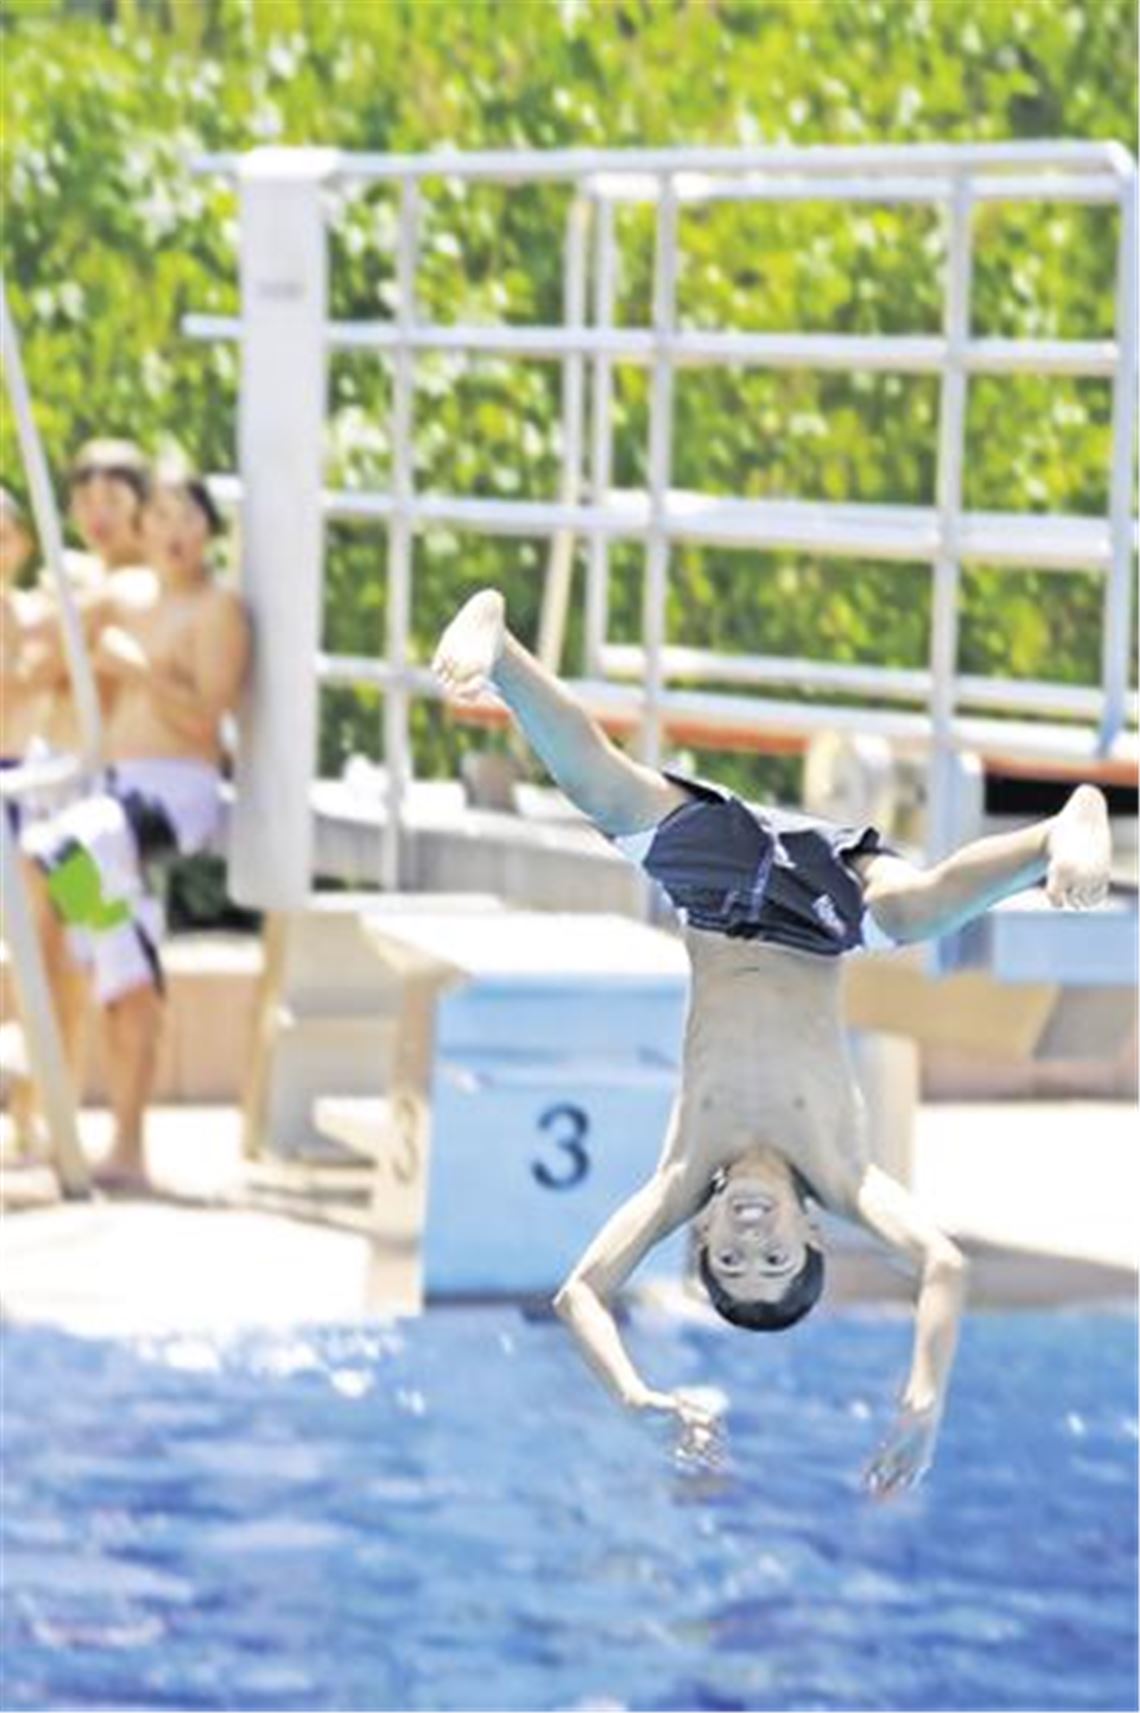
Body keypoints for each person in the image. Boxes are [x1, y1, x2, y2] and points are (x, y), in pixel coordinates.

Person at [432, 589, 1112, 1497]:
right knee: (915, 911)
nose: (752, 1242)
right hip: (821, 920)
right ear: (813, 1233)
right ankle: (1055, 834)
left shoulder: (685, 1172)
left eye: (732, 1259)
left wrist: (637, 1396)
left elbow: (580, 1295)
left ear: (702, 1232)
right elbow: (943, 1263)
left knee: (602, 787)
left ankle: (501, 652)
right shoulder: (843, 1176)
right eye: (776, 1258)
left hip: (715, 897)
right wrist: (921, 1398)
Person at [18, 465, 250, 1192]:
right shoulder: (121, 595)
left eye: (187, 516)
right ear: (141, 531)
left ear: (207, 527)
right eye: (161, 518)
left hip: (170, 794)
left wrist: (139, 668)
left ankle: (116, 951)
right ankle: (123, 1137)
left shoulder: (219, 611)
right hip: (111, 805)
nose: (174, 532)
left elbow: (207, 717)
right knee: (114, 953)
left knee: (49, 851)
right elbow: (42, 633)